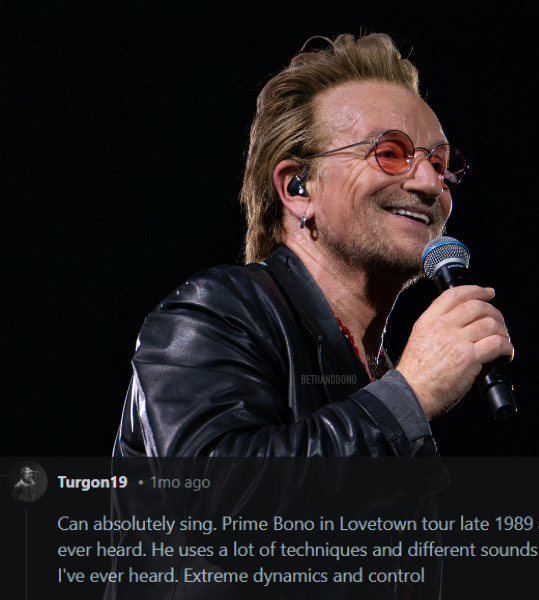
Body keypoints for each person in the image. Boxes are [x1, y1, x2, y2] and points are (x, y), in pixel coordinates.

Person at [110, 33, 513, 599]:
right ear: (297, 188)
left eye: (442, 163)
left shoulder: (372, 371)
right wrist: (411, 394)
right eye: (390, 153)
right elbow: (221, 507)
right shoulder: (213, 313)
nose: (429, 184)